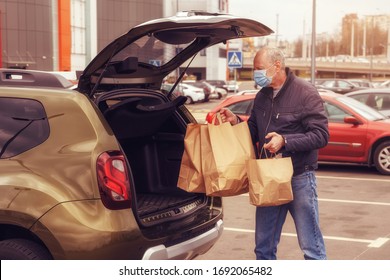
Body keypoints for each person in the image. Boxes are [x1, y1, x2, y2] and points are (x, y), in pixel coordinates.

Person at [219, 46, 329, 260]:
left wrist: (285, 141)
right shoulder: (261, 96)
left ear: (277, 65)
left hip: (299, 177)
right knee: (263, 248)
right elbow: (253, 131)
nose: (255, 73)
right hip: (268, 178)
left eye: (258, 68)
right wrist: (235, 122)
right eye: (254, 69)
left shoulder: (305, 93)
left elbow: (321, 135)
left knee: (311, 248)